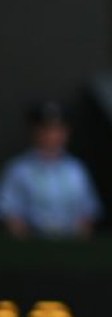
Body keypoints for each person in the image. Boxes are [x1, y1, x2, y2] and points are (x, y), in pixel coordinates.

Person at [0, 101, 101, 238]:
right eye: (46, 129)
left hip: (70, 246)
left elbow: (88, 212)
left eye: (58, 129)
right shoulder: (18, 170)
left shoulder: (77, 169)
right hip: (32, 246)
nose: (52, 136)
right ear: (35, 131)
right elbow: (9, 212)